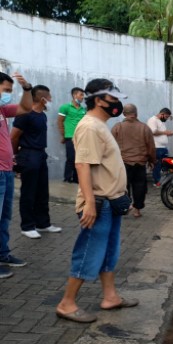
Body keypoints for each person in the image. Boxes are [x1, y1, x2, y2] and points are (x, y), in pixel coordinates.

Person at [55, 78, 137, 323]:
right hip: (98, 204)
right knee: (89, 251)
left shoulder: (100, 125)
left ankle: (110, 296)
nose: (117, 104)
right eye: (113, 99)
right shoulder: (90, 126)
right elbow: (82, 165)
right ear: (99, 100)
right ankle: (66, 303)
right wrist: (89, 204)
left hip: (110, 201)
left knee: (109, 251)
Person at [11, 85, 62, 239]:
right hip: (28, 155)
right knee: (28, 192)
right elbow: (13, 136)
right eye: (50, 97)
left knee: (42, 191)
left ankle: (43, 223)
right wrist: (15, 156)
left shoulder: (42, 115)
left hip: (40, 155)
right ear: (42, 99)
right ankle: (27, 226)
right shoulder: (25, 115)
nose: (51, 99)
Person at [0, 71, 32, 278]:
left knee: (4, 217)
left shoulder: (2, 110)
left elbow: (25, 108)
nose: (8, 95)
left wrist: (27, 89)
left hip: (6, 171)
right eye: (6, 90)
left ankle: (3, 253)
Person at [111, 104, 156, 218]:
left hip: (123, 162)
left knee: (123, 186)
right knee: (140, 186)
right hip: (140, 162)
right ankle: (137, 210)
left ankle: (125, 207)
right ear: (136, 114)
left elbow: (111, 146)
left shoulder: (117, 127)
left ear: (124, 114)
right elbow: (151, 146)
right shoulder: (144, 128)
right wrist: (152, 160)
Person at [57, 87, 85, 183]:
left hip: (82, 138)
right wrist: (63, 135)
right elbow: (60, 122)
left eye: (83, 95)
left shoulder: (83, 109)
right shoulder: (65, 107)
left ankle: (77, 179)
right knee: (71, 158)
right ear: (74, 95)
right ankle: (67, 179)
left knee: (80, 159)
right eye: (81, 95)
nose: (83, 97)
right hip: (70, 137)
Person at [146, 107, 173, 187]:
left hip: (163, 147)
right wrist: (165, 132)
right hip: (156, 147)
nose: (166, 119)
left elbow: (161, 133)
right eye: (166, 117)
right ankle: (157, 181)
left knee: (165, 165)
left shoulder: (161, 121)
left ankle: (164, 180)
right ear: (162, 114)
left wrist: (167, 134)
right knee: (157, 165)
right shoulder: (153, 120)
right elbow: (153, 132)